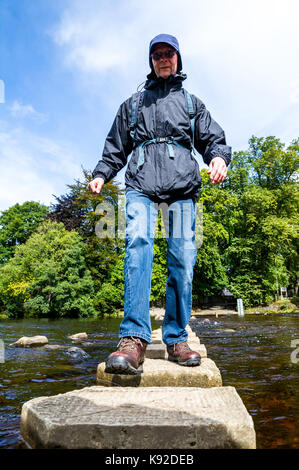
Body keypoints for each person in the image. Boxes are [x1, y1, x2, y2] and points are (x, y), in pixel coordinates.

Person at [88, 34, 231, 375]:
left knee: (182, 259)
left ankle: (177, 338)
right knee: (138, 246)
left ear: (178, 59)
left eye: (169, 53)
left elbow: (213, 140)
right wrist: (102, 173)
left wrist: (219, 159)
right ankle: (133, 339)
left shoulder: (192, 103)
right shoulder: (134, 104)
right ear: (150, 61)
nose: (163, 59)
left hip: (183, 187)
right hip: (140, 185)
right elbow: (115, 146)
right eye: (157, 55)